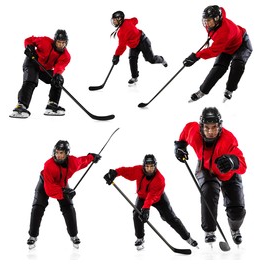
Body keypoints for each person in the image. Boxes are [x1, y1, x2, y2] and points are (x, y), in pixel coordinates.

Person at [174, 107, 246, 245]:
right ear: (201, 127)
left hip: (228, 173)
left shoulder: (228, 139)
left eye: (214, 127)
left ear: (220, 126)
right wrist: (179, 148)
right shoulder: (193, 131)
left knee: (237, 212)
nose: (211, 132)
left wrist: (232, 161)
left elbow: (243, 165)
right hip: (206, 169)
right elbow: (183, 137)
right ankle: (210, 230)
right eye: (207, 128)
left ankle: (235, 229)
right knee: (209, 190)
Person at [104, 154, 198, 250]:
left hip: (159, 198)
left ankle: (188, 238)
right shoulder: (138, 170)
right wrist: (115, 173)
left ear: (155, 166)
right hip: (142, 197)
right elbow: (127, 171)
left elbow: (151, 196)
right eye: (147, 166)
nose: (149, 169)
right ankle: (140, 238)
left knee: (170, 218)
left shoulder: (160, 179)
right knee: (137, 214)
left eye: (152, 166)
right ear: (144, 165)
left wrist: (146, 209)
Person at [27, 140, 101, 249]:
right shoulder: (48, 165)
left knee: (69, 208)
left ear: (67, 153)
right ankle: (32, 236)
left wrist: (91, 157)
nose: (58, 155)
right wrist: (64, 191)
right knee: (37, 207)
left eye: (61, 153)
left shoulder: (73, 162)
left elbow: (82, 161)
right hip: (46, 184)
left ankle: (74, 235)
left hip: (62, 184)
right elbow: (49, 189)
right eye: (57, 152)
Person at [183, 5, 252, 103]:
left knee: (237, 65)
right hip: (227, 46)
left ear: (217, 19)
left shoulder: (225, 31)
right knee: (218, 68)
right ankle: (202, 91)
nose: (207, 23)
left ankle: (229, 90)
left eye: (209, 20)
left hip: (242, 44)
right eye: (205, 20)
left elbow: (214, 51)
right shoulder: (212, 24)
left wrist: (196, 56)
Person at [10, 29, 71, 118]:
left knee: (58, 80)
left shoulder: (66, 56)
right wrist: (29, 47)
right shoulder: (45, 41)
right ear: (55, 41)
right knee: (31, 80)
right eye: (59, 42)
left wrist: (57, 75)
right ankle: (21, 106)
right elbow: (29, 39)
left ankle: (52, 105)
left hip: (44, 69)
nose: (61, 45)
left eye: (63, 42)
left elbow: (59, 67)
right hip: (32, 62)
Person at [110, 11, 168, 86]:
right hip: (134, 45)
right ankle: (134, 77)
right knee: (132, 59)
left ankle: (161, 59)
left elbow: (122, 46)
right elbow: (135, 20)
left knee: (151, 59)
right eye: (113, 20)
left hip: (143, 41)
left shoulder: (122, 32)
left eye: (115, 20)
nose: (113, 22)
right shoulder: (128, 21)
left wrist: (116, 56)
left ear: (120, 19)